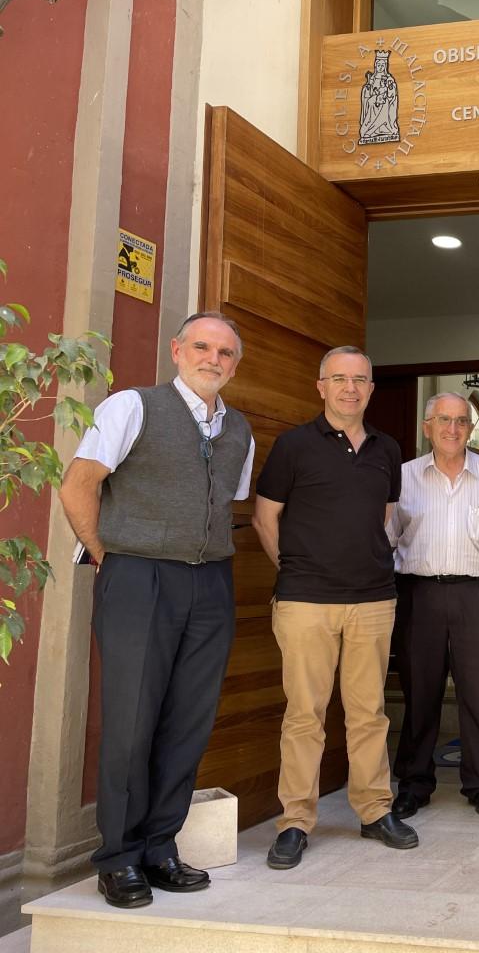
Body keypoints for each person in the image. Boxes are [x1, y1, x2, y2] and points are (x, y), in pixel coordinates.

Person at [59, 311, 253, 908]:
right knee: (131, 720)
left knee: (188, 721)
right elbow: (77, 484)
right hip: (138, 575)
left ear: (234, 364)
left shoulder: (239, 428)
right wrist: (105, 555)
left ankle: (160, 847)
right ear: (176, 350)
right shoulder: (131, 406)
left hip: (209, 581)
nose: (212, 359)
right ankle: (117, 858)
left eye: (224, 353)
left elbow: (228, 505)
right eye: (201, 347)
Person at [252, 345, 418, 869]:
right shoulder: (293, 446)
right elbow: (264, 517)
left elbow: (386, 517)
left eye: (361, 380)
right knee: (305, 715)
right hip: (306, 602)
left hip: (372, 600)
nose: (351, 388)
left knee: (370, 713)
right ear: (321, 386)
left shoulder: (388, 449)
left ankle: (374, 811)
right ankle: (296, 822)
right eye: (339, 379)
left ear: (371, 389)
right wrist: (297, 571)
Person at [387, 392, 479, 820]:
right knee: (420, 691)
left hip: (478, 593)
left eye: (461, 421)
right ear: (427, 428)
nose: (453, 429)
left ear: (471, 429)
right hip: (420, 594)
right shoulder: (402, 478)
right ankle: (414, 782)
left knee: (478, 691)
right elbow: (387, 538)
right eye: (444, 421)